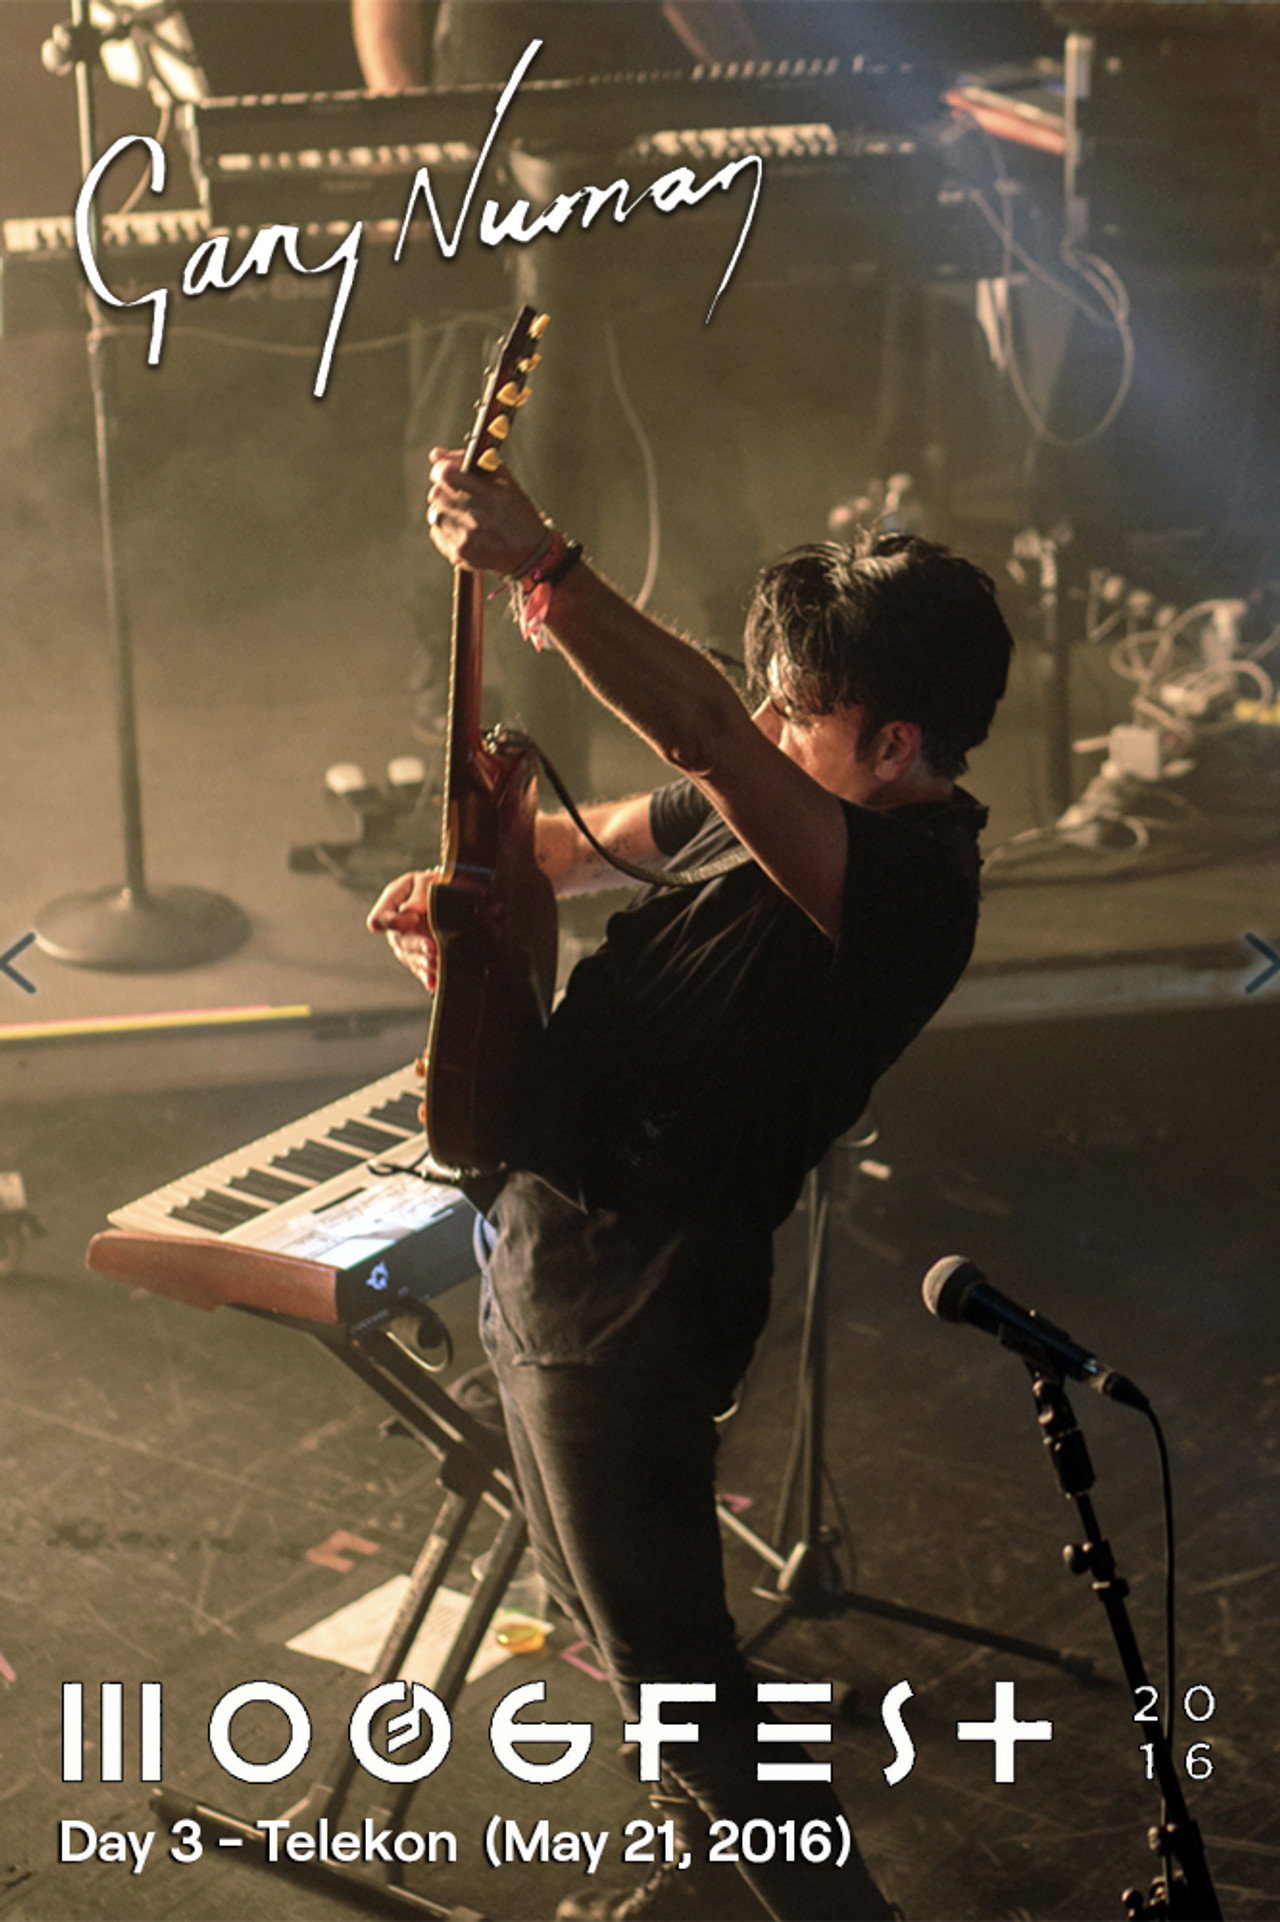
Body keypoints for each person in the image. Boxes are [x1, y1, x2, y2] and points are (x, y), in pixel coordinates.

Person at [368, 451, 1013, 1921]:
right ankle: (708, 1878)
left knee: (681, 1676)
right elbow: (559, 851)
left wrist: (545, 567)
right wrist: (467, 885)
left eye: (805, 709)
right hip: (547, 1253)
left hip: (630, 1312)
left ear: (898, 742)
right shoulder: (773, 793)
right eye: (776, 701)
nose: (773, 721)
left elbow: (713, 728)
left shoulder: (902, 890)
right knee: (616, 1622)